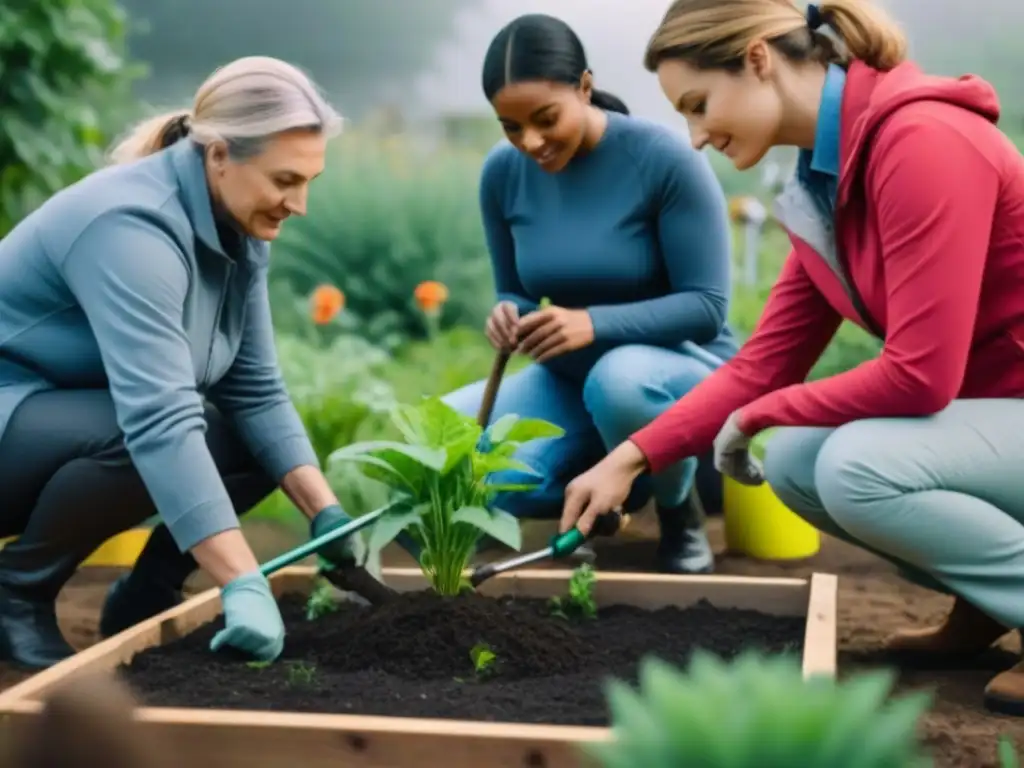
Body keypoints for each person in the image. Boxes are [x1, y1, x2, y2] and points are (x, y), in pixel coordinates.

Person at [558, 0, 1024, 716]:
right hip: (997, 422)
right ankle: (985, 606)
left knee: (855, 466)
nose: (696, 136)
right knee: (798, 462)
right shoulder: (823, 179)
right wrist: (628, 458)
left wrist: (759, 414)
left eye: (698, 104)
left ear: (756, 58)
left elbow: (921, 375)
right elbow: (762, 365)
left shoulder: (922, 142)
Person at [0, 56, 369, 669]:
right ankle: (16, 592)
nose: (298, 203)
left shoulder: (238, 228)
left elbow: (254, 390)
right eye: (284, 180)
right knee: (142, 432)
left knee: (255, 447)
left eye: (309, 181)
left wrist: (323, 510)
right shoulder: (129, 228)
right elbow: (158, 418)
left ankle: (146, 594)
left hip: (44, 425)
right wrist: (243, 582)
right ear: (220, 155)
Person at [442, 13, 738, 575]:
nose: (529, 142)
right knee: (457, 440)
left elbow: (706, 308)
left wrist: (595, 324)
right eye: (510, 126)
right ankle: (596, 497)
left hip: (682, 369)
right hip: (572, 374)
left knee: (621, 379)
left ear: (584, 86)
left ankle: (679, 509)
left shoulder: (663, 161)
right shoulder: (503, 173)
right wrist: (510, 315)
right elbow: (516, 289)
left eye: (545, 118)